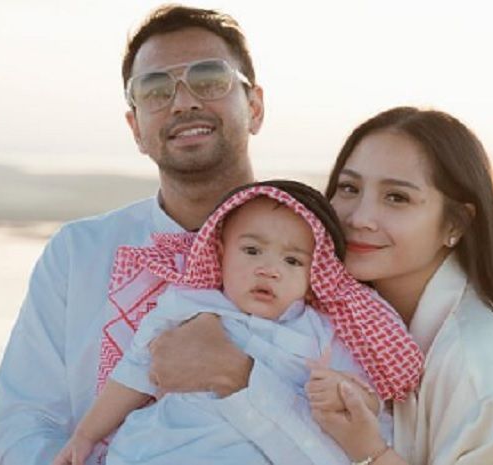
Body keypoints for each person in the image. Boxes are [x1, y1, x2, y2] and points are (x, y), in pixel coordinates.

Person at [0, 5, 268, 464]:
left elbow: (362, 420)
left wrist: (246, 377)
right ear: (136, 128)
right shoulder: (77, 255)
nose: (183, 102)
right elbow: (22, 421)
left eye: (209, 79)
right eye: (155, 89)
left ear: (254, 107)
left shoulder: (319, 249)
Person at [308, 107, 493, 464]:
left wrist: (369, 453)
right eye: (349, 188)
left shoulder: (482, 365)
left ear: (456, 223)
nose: (359, 217)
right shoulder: (355, 328)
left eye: (397, 197)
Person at [52, 180, 420, 465]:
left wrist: (348, 392)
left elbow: (367, 402)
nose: (269, 269)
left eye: (292, 261)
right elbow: (133, 372)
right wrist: (86, 435)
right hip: (161, 449)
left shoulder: (321, 331)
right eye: (252, 251)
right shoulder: (188, 305)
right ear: (220, 253)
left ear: (315, 277)